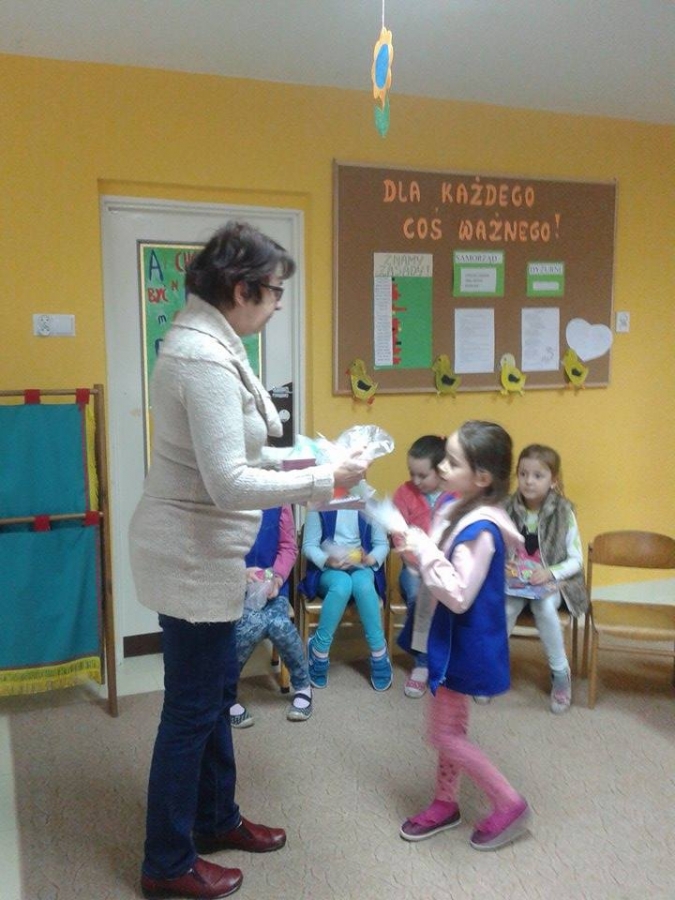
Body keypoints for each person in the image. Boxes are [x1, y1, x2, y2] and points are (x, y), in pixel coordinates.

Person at [129, 221, 369, 900]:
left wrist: (311, 461)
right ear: (242, 289)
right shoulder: (202, 359)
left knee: (209, 697)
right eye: (274, 292)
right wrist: (323, 482)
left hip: (202, 549)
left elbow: (239, 454)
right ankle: (166, 863)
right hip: (190, 557)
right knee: (191, 710)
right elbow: (229, 483)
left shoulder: (209, 342)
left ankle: (215, 818)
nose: (278, 305)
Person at [395, 420, 531, 852]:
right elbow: (438, 564)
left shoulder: (482, 531)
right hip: (450, 640)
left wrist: (425, 553)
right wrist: (418, 553)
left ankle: (508, 803)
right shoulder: (458, 507)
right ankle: (445, 801)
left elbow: (456, 594)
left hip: (463, 644)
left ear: (482, 477)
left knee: (444, 735)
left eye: (452, 463)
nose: (442, 467)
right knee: (450, 727)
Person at [504, 444, 588, 714]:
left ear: (553, 480)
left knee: (543, 607)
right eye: (523, 474)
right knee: (506, 607)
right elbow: (494, 547)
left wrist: (550, 572)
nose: (529, 481)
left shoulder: (563, 511)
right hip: (516, 583)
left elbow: (576, 560)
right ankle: (492, 667)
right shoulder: (507, 508)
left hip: (555, 584)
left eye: (538, 475)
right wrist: (504, 563)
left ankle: (560, 673)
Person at [229, 504, 312, 727]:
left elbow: (288, 547)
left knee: (279, 624)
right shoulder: (231, 497)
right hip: (234, 588)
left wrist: (277, 578)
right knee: (251, 625)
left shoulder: (280, 501)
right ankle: (225, 695)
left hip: (273, 586)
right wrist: (239, 575)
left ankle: (303, 687)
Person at [300, 508, 392, 691]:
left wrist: (368, 558)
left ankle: (379, 652)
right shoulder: (319, 506)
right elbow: (308, 546)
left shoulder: (370, 505)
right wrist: (328, 560)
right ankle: (319, 649)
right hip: (328, 570)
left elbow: (382, 544)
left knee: (363, 585)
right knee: (342, 585)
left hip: (361, 568)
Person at [393, 434, 454, 699]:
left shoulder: (456, 495)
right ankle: (422, 663)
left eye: (423, 475)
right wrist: (419, 562)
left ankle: (451, 660)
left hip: (447, 569)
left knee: (456, 601)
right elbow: (399, 537)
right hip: (414, 570)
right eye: (412, 474)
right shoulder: (404, 493)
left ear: (441, 470)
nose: (416, 481)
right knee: (419, 598)